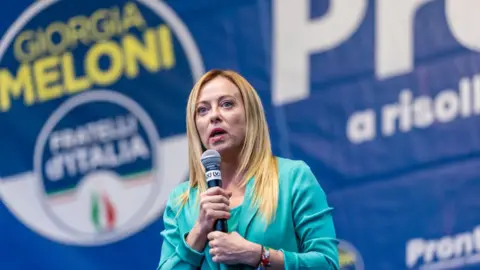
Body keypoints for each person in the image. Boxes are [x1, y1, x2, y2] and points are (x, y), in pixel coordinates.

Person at [157, 69, 339, 269]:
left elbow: (328, 264)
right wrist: (198, 231)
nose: (214, 116)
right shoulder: (181, 201)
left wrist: (259, 255)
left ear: (250, 114)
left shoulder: (292, 178)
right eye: (202, 110)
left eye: (227, 104)